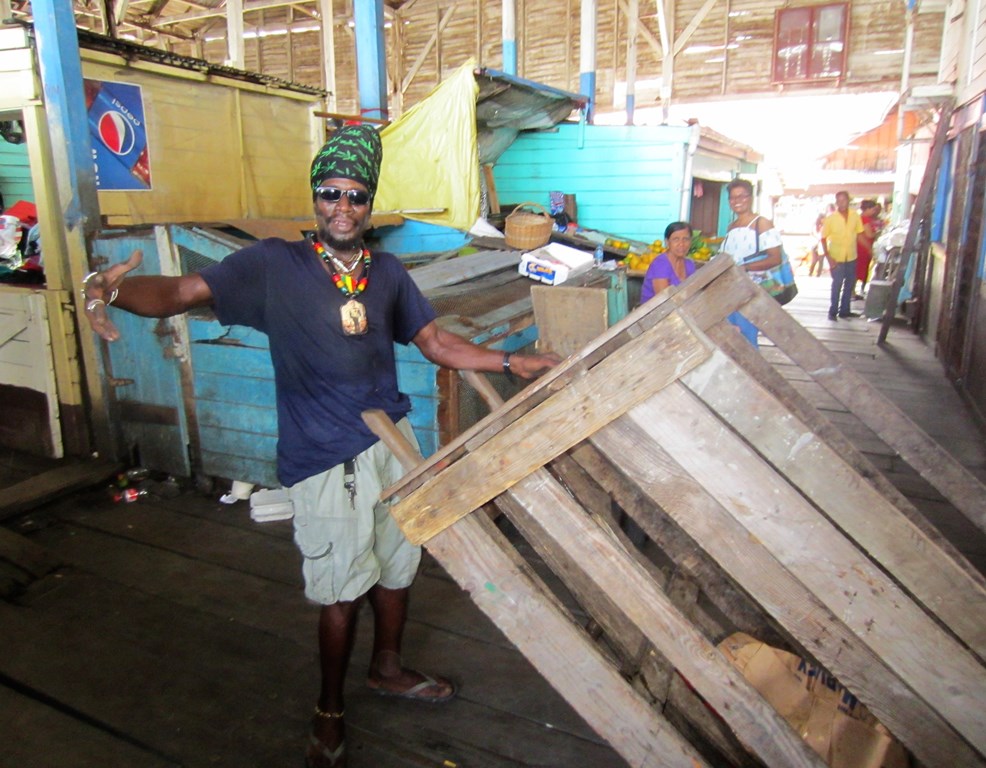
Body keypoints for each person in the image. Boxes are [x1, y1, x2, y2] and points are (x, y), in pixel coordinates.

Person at [80, 124, 560, 768]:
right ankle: (328, 709)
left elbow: (436, 344)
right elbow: (175, 294)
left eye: (356, 196)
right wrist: (108, 288)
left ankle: (385, 668)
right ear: (315, 197)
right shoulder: (273, 265)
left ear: (369, 205)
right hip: (324, 455)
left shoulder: (387, 272)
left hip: (392, 442)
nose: (343, 206)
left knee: (397, 568)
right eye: (331, 193)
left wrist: (510, 362)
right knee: (340, 590)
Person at [720, 179, 784, 347]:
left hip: (751, 291)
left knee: (747, 337)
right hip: (730, 290)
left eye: (742, 196)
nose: (737, 201)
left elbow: (775, 258)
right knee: (731, 335)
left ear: (750, 198)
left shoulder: (761, 223)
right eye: (733, 198)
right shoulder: (731, 227)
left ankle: (751, 372)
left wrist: (745, 267)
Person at [820, 190, 863, 320]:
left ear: (848, 201)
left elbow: (860, 234)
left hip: (851, 256)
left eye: (843, 200)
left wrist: (869, 250)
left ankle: (845, 310)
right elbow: (823, 238)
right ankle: (832, 311)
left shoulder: (855, 216)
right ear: (836, 202)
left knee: (850, 284)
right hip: (836, 257)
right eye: (838, 201)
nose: (841, 203)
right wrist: (828, 257)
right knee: (837, 284)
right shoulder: (830, 219)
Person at [638, 221, 697, 304]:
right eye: (676, 239)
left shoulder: (689, 265)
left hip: (679, 309)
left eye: (686, 239)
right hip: (656, 313)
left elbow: (693, 293)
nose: (681, 244)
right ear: (667, 242)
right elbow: (664, 301)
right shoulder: (660, 264)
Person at [854, 200, 882, 298]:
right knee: (859, 269)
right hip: (863, 247)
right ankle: (853, 292)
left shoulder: (861, 218)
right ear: (868, 209)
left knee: (859, 269)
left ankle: (853, 291)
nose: (874, 211)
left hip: (862, 246)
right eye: (873, 209)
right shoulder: (864, 219)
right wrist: (877, 232)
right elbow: (869, 234)